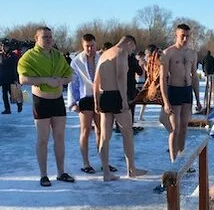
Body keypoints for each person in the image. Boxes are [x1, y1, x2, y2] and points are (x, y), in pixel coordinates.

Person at [17, 26, 75, 186]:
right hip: (41, 101)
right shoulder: (28, 57)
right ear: (36, 39)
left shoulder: (57, 55)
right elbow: (23, 79)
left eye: (50, 36)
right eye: (45, 37)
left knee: (60, 137)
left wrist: (63, 80)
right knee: (43, 139)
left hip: (57, 101)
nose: (49, 39)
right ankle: (43, 174)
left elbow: (69, 74)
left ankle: (61, 172)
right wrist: (45, 80)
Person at [93, 35, 148, 181]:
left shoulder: (104, 54)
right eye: (132, 50)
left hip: (104, 95)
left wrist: (96, 100)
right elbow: (120, 77)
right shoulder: (121, 52)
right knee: (127, 133)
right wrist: (124, 99)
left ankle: (106, 172)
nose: (131, 53)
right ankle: (131, 169)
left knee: (104, 137)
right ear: (129, 43)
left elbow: (96, 80)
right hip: (118, 95)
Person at [67, 33, 109, 174]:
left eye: (92, 46)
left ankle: (104, 162)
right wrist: (73, 102)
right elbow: (73, 82)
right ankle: (86, 162)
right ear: (82, 46)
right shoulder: (77, 61)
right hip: (85, 98)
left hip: (100, 96)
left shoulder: (101, 58)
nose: (90, 49)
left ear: (96, 44)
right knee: (85, 130)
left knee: (100, 130)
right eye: (87, 46)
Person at [160, 24, 200, 162]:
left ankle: (182, 157)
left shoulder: (192, 53)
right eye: (182, 35)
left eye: (187, 36)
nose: (185, 38)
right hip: (173, 90)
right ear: (176, 35)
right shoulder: (168, 53)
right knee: (174, 129)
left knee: (184, 127)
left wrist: (198, 99)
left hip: (186, 91)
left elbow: (194, 76)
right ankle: (173, 160)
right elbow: (162, 79)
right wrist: (165, 101)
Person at [0, 43, 22, 114]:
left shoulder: (13, 55)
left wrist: (16, 79)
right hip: (3, 78)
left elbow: (15, 67)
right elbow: (0, 67)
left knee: (13, 94)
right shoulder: (1, 55)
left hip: (11, 77)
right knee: (4, 95)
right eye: (2, 47)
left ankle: (19, 105)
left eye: (5, 47)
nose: (3, 48)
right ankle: (7, 109)